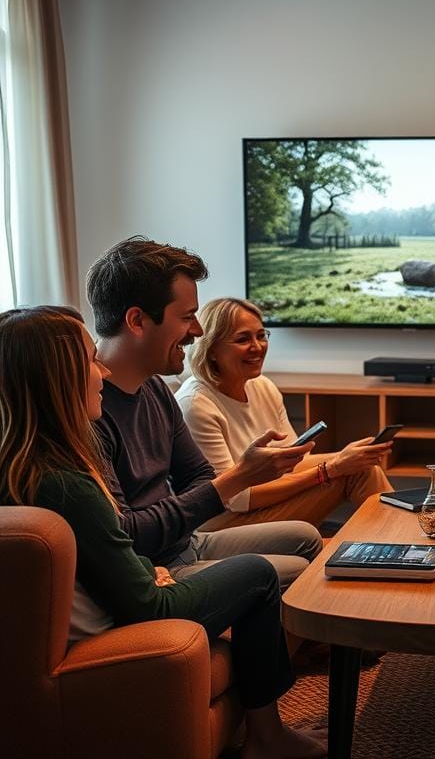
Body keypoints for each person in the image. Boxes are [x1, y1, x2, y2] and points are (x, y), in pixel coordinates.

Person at [0, 306, 326, 758]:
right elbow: (142, 604)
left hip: (146, 572)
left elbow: (115, 545)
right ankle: (267, 738)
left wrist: (145, 567)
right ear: (58, 377)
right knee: (257, 574)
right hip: (133, 616)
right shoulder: (63, 481)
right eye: (92, 360)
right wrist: (150, 570)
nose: (102, 372)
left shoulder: (28, 464)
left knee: (301, 542)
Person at [87, 236, 323, 588]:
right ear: (137, 321)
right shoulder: (90, 411)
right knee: (299, 573)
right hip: (157, 569)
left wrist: (200, 497)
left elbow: (199, 474)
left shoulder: (155, 389)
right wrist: (240, 476)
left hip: (187, 541)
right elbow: (132, 533)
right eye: (186, 317)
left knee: (306, 537)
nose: (197, 331)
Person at [176, 297, 393, 531]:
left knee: (361, 466)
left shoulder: (262, 385)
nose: (257, 347)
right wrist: (332, 469)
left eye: (261, 335)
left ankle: (406, 543)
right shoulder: (196, 405)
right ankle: (403, 544)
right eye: (242, 339)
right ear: (212, 350)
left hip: (257, 504)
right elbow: (237, 499)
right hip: (222, 524)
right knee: (347, 470)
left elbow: (290, 462)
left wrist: (347, 457)